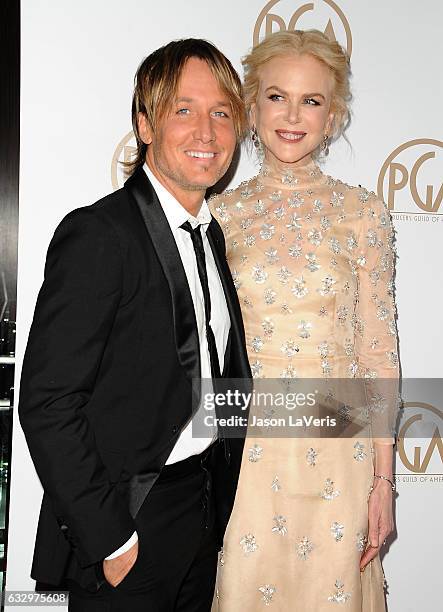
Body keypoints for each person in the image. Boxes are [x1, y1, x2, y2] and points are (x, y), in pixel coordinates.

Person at [19, 38, 251, 612]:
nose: (206, 131)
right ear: (145, 123)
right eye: (184, 110)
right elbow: (48, 401)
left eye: (221, 112)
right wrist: (112, 537)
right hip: (130, 528)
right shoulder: (101, 234)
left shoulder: (211, 236)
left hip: (199, 517)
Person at [209, 30, 399, 611]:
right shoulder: (216, 214)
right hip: (243, 456)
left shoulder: (364, 212)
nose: (292, 116)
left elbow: (378, 355)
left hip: (340, 458)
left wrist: (384, 483)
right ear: (250, 105)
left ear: (333, 113)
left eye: (311, 101)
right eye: (276, 97)